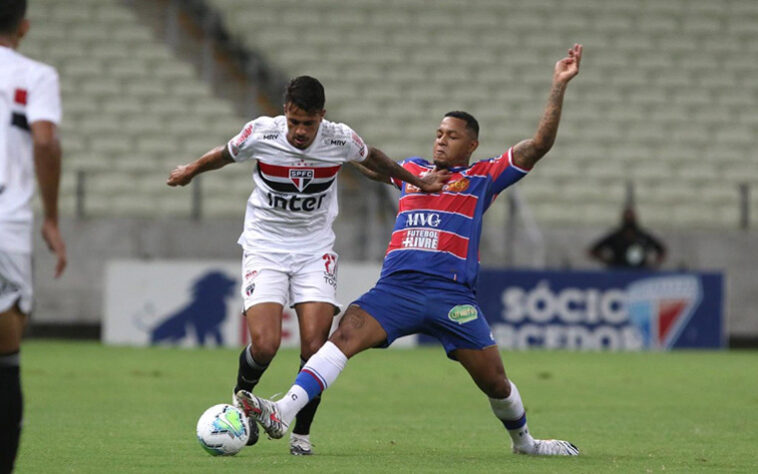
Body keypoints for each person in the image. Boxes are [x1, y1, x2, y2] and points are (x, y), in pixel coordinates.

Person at [236, 44, 583, 456]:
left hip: (451, 296)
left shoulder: (483, 176)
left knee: (494, 381)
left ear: (471, 144)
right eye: (438, 133)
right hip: (395, 291)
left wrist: (558, 87)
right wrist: (324, 147)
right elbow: (364, 162)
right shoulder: (413, 172)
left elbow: (539, 145)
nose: (440, 141)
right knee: (343, 335)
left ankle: (524, 443)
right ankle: (282, 410)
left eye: (451, 136)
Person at [167, 76, 447, 455]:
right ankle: (242, 402)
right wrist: (190, 170)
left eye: (308, 124)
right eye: (294, 122)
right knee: (264, 345)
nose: (300, 132)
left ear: (322, 117)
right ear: (285, 112)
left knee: (316, 346)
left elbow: (374, 157)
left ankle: (301, 435)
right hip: (265, 248)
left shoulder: (339, 138)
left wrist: (418, 181)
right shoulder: (261, 133)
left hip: (315, 251)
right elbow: (224, 153)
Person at [0, 1, 67, 471]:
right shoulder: (34, 76)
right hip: (7, 223)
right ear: (23, 26)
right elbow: (44, 141)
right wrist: (52, 217)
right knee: (6, 352)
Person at [589, 206, 666, 269]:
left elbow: (661, 250)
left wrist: (653, 265)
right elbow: (593, 250)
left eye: (631, 218)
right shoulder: (615, 236)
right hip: (618, 272)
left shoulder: (643, 236)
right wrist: (608, 262)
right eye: (627, 218)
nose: (629, 221)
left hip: (640, 272)